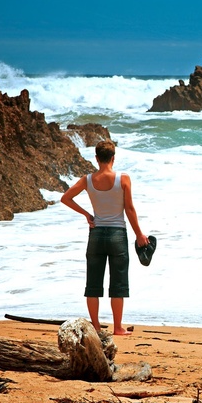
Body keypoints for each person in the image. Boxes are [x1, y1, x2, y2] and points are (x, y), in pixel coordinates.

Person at [61, 141, 149, 335]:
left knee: (93, 283)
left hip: (96, 234)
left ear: (96, 158)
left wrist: (87, 215)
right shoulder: (123, 179)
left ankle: (96, 326)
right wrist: (139, 234)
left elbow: (65, 198)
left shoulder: (87, 180)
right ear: (113, 158)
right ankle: (117, 327)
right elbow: (129, 209)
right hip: (117, 235)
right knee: (118, 282)